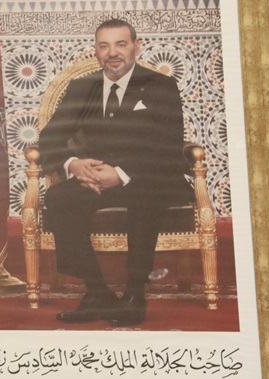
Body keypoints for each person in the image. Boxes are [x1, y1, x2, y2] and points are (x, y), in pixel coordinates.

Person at [38, 19, 192, 327]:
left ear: (136, 46)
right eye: (104, 45)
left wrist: (120, 174)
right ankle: (97, 292)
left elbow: (167, 146)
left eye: (121, 44)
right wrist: (74, 165)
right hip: (95, 176)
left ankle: (135, 294)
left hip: (149, 175)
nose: (112, 53)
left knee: (144, 194)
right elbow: (49, 138)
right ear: (95, 50)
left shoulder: (161, 85)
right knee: (58, 197)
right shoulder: (83, 87)